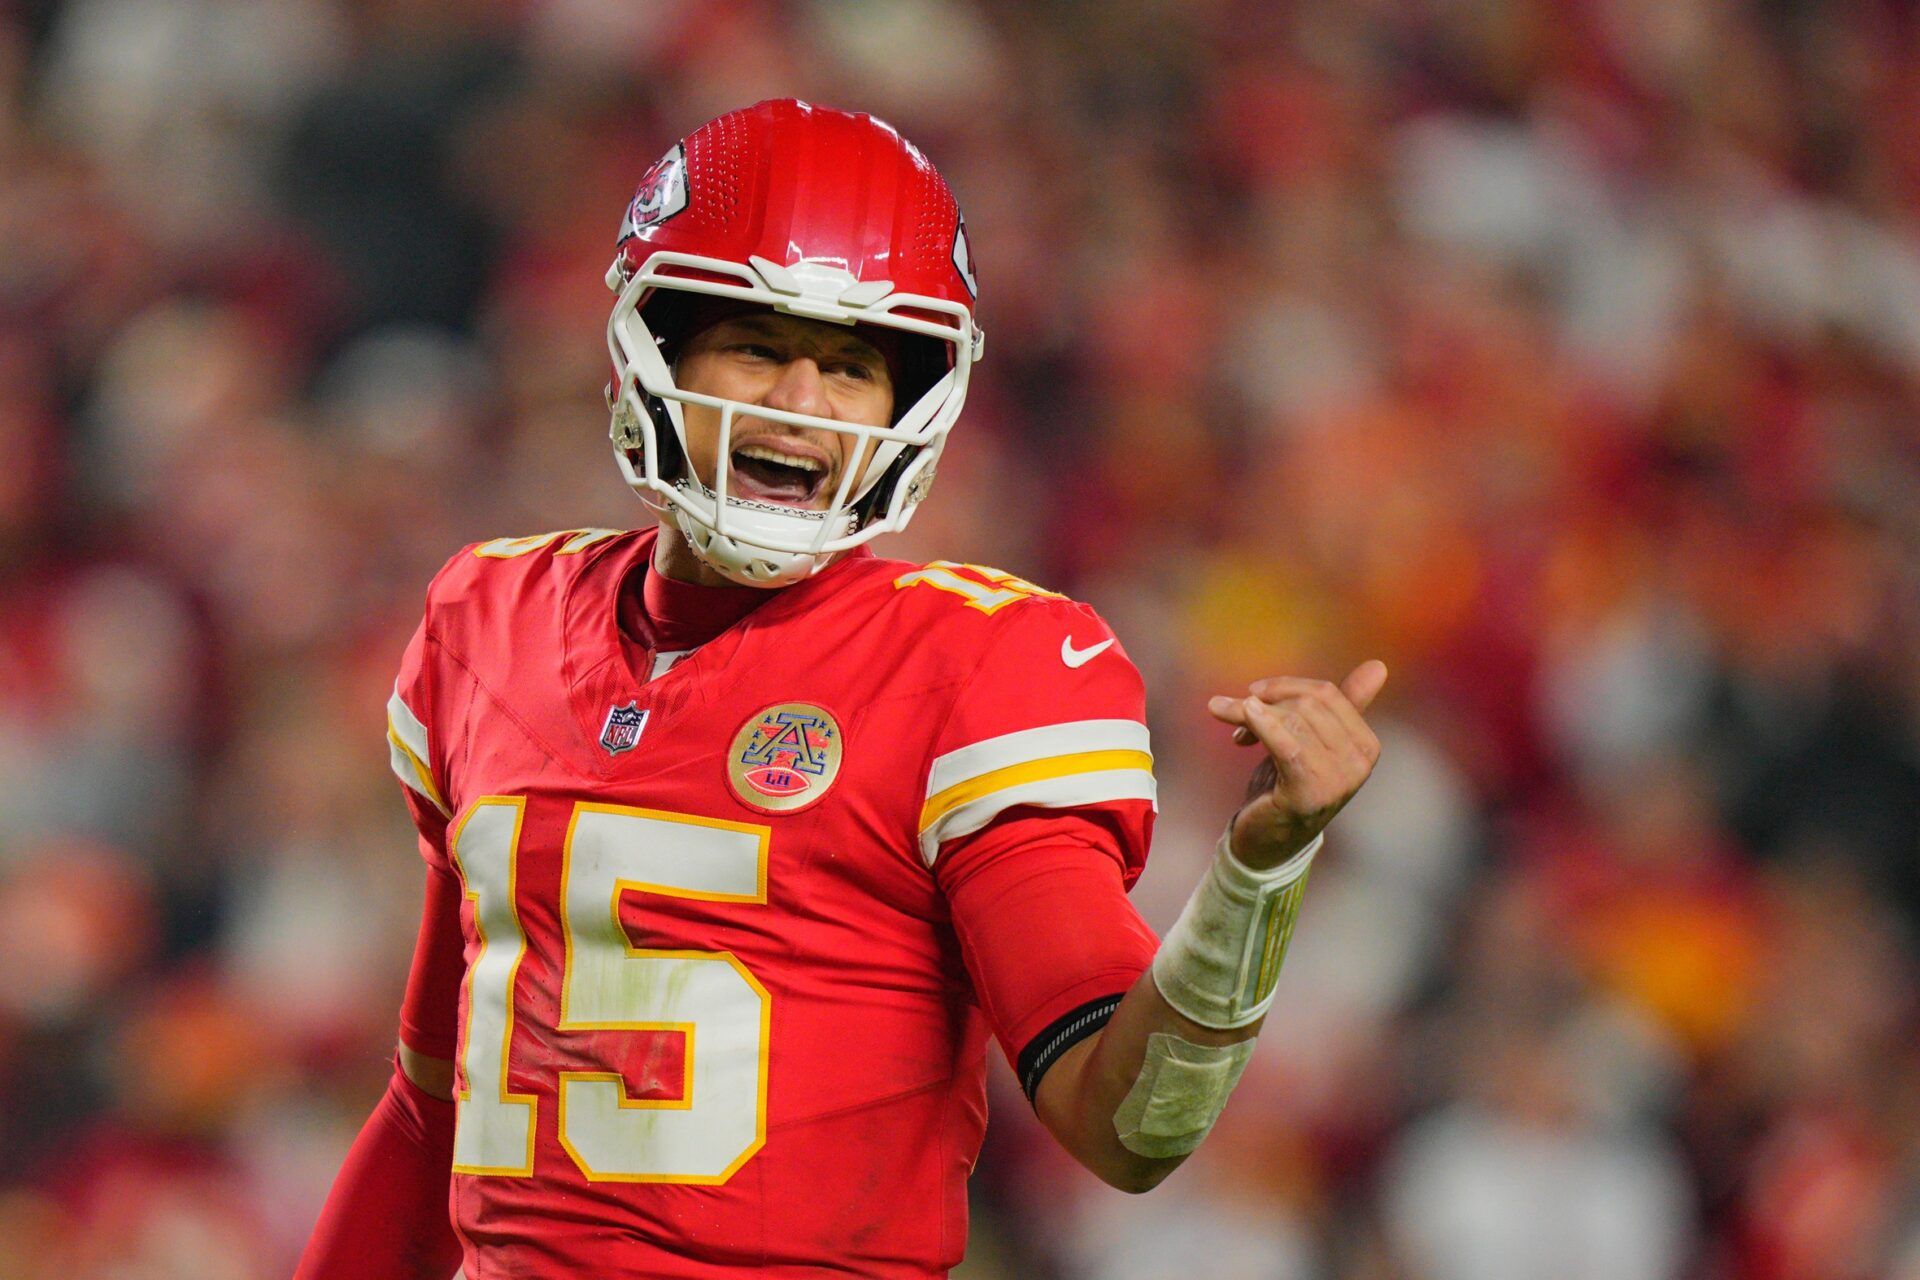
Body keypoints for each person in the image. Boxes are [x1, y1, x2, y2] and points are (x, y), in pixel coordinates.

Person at [296, 98, 1386, 1280]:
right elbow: (430, 1108)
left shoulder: (974, 666)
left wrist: (1259, 869)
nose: (803, 402)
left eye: (854, 365)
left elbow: (1128, 1126)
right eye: (758, 347)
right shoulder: (489, 619)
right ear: (655, 347)